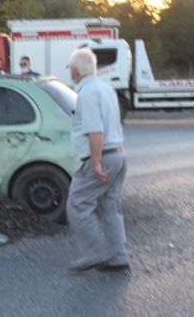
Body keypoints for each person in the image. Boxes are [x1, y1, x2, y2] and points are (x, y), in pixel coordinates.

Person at [66, 47, 128, 273]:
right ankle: (117, 256)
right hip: (118, 154)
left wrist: (95, 163)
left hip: (103, 157)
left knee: (78, 204)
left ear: (75, 70)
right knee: (110, 206)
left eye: (70, 69)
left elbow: (95, 131)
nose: (70, 73)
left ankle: (95, 252)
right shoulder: (106, 88)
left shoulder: (87, 93)